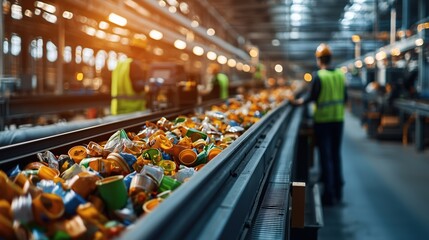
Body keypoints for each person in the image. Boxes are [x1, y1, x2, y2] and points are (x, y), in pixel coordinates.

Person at [294, 43, 347, 206]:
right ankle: (338, 191)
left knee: (325, 156)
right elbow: (345, 98)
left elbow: (311, 96)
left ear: (319, 60)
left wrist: (298, 101)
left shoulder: (319, 76)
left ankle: (329, 196)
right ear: (330, 58)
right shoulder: (340, 74)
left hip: (323, 121)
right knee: (336, 155)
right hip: (338, 120)